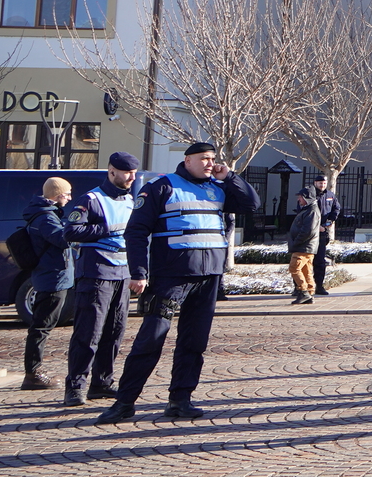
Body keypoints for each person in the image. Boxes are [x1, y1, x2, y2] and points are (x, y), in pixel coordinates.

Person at [99, 141, 260, 424]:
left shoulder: (218, 187)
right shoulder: (162, 186)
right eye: (203, 159)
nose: (210, 163)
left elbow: (252, 204)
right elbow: (136, 231)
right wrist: (138, 272)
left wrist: (230, 177)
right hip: (171, 278)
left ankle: (180, 400)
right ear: (187, 161)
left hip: (208, 277)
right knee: (151, 340)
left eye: (212, 158)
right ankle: (124, 402)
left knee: (194, 342)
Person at [60, 153, 142, 405]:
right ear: (111, 172)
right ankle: (75, 386)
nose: (131, 178)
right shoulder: (91, 199)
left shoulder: (131, 200)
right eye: (127, 173)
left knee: (115, 332)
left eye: (134, 173)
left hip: (122, 274)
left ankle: (102, 383)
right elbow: (71, 230)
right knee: (89, 332)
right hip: (96, 274)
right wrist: (108, 228)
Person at [19, 177, 76, 392]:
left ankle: (33, 372)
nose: (70, 198)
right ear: (58, 194)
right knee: (41, 327)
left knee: (42, 326)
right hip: (51, 278)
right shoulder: (45, 217)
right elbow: (63, 239)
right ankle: (33, 374)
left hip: (52, 276)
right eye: (67, 194)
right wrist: (77, 224)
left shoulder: (46, 214)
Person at [287, 190, 321, 305]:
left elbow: (308, 230)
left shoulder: (311, 210)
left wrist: (296, 242)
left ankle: (303, 292)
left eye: (300, 197)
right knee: (306, 270)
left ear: (307, 198)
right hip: (306, 246)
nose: (299, 199)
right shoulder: (309, 209)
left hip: (303, 246)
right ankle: (309, 293)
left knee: (294, 268)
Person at [308, 175, 339, 296]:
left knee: (320, 261)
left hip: (322, 233)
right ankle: (300, 287)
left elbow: (336, 209)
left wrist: (330, 222)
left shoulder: (330, 195)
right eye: (320, 183)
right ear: (315, 183)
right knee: (305, 261)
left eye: (324, 183)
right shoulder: (309, 194)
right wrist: (316, 226)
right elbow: (304, 212)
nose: (322, 185)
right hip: (309, 233)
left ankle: (319, 286)